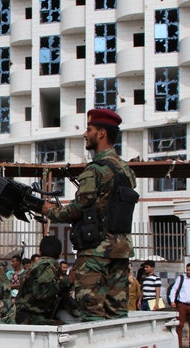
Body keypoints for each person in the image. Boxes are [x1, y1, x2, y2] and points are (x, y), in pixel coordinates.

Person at [42, 108, 137, 321]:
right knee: (117, 316)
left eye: (89, 129)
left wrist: (50, 211)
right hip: (121, 251)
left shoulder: (95, 169)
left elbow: (79, 207)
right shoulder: (127, 170)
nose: (85, 134)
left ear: (101, 133)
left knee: (91, 316)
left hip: (95, 253)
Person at [14, 236, 70, 325]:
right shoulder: (49, 267)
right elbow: (41, 294)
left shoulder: (35, 265)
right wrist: (67, 281)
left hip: (23, 314)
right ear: (60, 254)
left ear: (39, 252)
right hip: (31, 317)